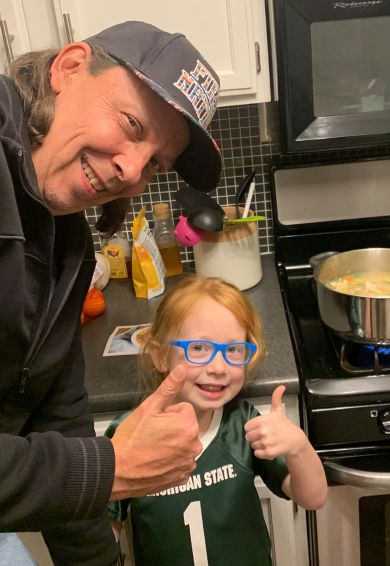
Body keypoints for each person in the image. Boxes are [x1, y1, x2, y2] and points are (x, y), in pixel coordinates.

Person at [0, 20, 222, 565]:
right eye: (130, 123)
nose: (130, 168)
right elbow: (87, 463)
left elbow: (58, 414)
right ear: (69, 67)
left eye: (155, 165)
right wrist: (111, 467)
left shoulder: (65, 243)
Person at [105, 276, 328, 565]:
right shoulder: (131, 436)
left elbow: (312, 498)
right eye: (199, 348)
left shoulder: (243, 424)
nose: (219, 367)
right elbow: (104, 533)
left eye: (233, 350)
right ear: (160, 357)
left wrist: (298, 447)